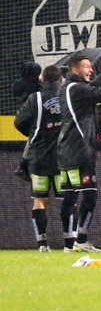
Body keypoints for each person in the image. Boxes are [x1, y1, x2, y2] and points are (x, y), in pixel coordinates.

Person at [56, 33, 101, 252]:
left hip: (66, 150)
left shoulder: (68, 87)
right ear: (75, 70)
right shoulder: (76, 89)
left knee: (70, 196)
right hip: (80, 152)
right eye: (86, 66)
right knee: (90, 194)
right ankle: (81, 239)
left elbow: (92, 81)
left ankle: (69, 243)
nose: (90, 69)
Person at [13, 65, 64, 252]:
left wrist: (34, 130)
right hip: (63, 158)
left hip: (39, 157)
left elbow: (19, 122)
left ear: (42, 79)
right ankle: (70, 242)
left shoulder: (34, 98)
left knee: (40, 200)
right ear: (61, 79)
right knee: (68, 199)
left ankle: (42, 244)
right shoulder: (68, 96)